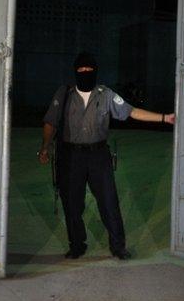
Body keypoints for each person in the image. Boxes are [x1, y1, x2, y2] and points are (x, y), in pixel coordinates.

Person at [38, 52, 175, 260]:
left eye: (89, 70)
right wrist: (45, 147)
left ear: (95, 72)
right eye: (81, 70)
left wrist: (164, 118)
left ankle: (118, 246)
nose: (85, 73)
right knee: (72, 204)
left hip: (98, 156)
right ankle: (77, 245)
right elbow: (50, 122)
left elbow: (131, 112)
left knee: (109, 202)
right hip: (71, 157)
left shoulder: (106, 94)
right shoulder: (64, 93)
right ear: (75, 72)